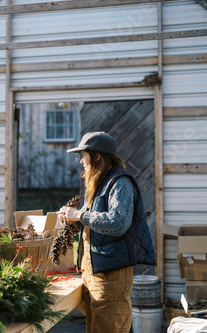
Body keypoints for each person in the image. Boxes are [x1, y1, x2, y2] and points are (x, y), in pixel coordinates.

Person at [58, 131, 156, 333]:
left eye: (83, 156)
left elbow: (118, 222)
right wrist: (73, 219)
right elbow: (94, 223)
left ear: (97, 156)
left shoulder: (120, 183)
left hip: (110, 279)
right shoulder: (99, 183)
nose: (81, 162)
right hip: (94, 274)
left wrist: (80, 216)